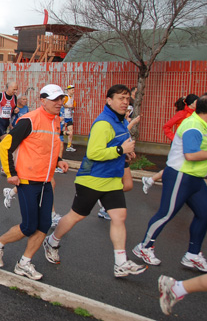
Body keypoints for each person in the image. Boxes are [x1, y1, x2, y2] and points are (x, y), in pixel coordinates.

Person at [43, 84, 147, 278]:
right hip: (92, 179)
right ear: (109, 100)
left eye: (127, 98)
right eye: (120, 98)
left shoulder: (121, 121)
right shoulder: (103, 123)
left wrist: (125, 153)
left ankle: (121, 263)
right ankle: (52, 240)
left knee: (119, 217)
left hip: (112, 180)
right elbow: (94, 153)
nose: (125, 102)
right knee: (76, 216)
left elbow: (118, 145)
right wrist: (119, 150)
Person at [0, 84, 68, 280]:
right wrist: (10, 172)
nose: (59, 103)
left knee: (44, 225)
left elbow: (48, 147)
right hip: (28, 181)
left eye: (61, 99)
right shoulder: (29, 120)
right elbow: (5, 146)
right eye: (54, 99)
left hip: (46, 181)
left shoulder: (56, 121)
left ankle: (24, 263)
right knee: (29, 226)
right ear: (42, 101)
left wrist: (59, 161)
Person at [133, 94, 207, 272]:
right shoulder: (193, 125)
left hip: (196, 178)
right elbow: (190, 155)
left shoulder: (203, 125)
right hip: (180, 175)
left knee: (204, 214)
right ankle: (144, 247)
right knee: (166, 213)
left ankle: (192, 254)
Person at [142, 94, 199, 193]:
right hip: (179, 145)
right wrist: (174, 138)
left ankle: (151, 180)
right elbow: (166, 126)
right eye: (196, 101)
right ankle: (152, 180)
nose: (198, 103)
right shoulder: (182, 114)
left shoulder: (196, 115)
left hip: (189, 145)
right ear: (191, 103)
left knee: (181, 168)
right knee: (175, 168)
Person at [63, 85, 76, 152]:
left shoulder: (72, 98)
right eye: (72, 90)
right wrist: (68, 106)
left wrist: (73, 107)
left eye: (73, 90)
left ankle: (69, 146)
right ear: (68, 90)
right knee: (61, 131)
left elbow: (73, 106)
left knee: (71, 131)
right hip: (64, 116)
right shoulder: (65, 97)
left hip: (69, 116)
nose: (73, 91)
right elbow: (62, 105)